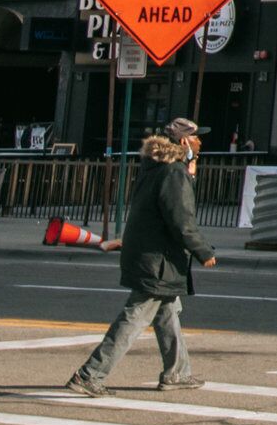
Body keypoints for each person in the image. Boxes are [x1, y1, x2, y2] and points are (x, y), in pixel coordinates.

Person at [66, 118, 217, 395]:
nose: (201, 143)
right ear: (184, 142)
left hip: (151, 254)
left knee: (168, 313)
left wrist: (190, 172)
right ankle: (90, 375)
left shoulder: (159, 168)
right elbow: (181, 219)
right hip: (158, 260)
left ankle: (177, 373)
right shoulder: (173, 173)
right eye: (197, 138)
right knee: (135, 317)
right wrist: (203, 250)